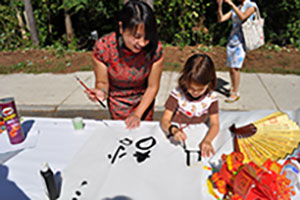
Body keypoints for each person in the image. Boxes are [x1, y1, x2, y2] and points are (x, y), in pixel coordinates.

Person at [86, 0, 164, 129]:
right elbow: (103, 83)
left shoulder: (155, 49)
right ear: (121, 28)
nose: (143, 43)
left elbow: (152, 87)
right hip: (117, 106)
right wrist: (101, 93)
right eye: (137, 36)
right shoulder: (103, 48)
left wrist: (137, 114)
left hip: (143, 104)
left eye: (147, 37)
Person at [160, 54, 220, 158]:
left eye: (200, 89)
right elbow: (164, 120)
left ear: (209, 83)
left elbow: (215, 124)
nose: (195, 93)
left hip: (198, 136)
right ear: (185, 79)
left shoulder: (211, 97)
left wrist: (207, 140)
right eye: (191, 88)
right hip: (175, 138)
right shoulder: (177, 94)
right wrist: (173, 130)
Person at [217, 0, 257, 103]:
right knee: (231, 67)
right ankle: (233, 88)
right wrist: (219, 6)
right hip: (232, 40)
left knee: (235, 67)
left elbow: (243, 17)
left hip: (242, 41)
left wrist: (231, 4)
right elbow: (221, 19)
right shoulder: (237, 7)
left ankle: (235, 92)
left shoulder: (252, 6)